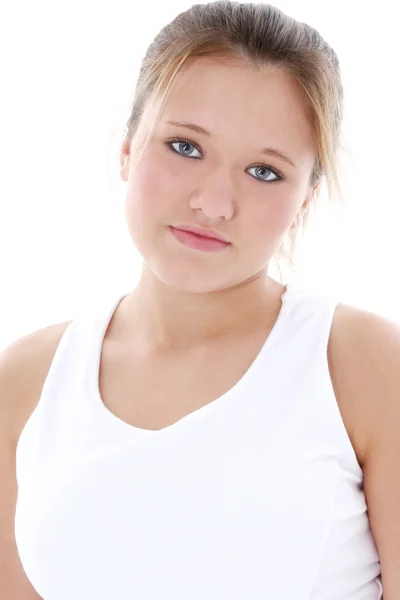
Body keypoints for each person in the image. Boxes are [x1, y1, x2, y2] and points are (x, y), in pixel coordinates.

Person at [1, 1, 399, 598]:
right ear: (128, 148)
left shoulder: (363, 366)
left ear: (306, 200)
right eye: (185, 147)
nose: (214, 203)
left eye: (264, 171)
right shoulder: (28, 381)